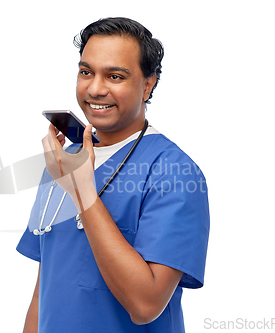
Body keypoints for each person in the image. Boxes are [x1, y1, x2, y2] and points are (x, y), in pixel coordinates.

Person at [16, 17, 210, 333]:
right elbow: (45, 287)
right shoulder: (64, 161)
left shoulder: (174, 172)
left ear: (148, 84)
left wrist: (83, 191)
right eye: (86, 72)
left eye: (115, 76)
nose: (94, 88)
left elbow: (145, 306)